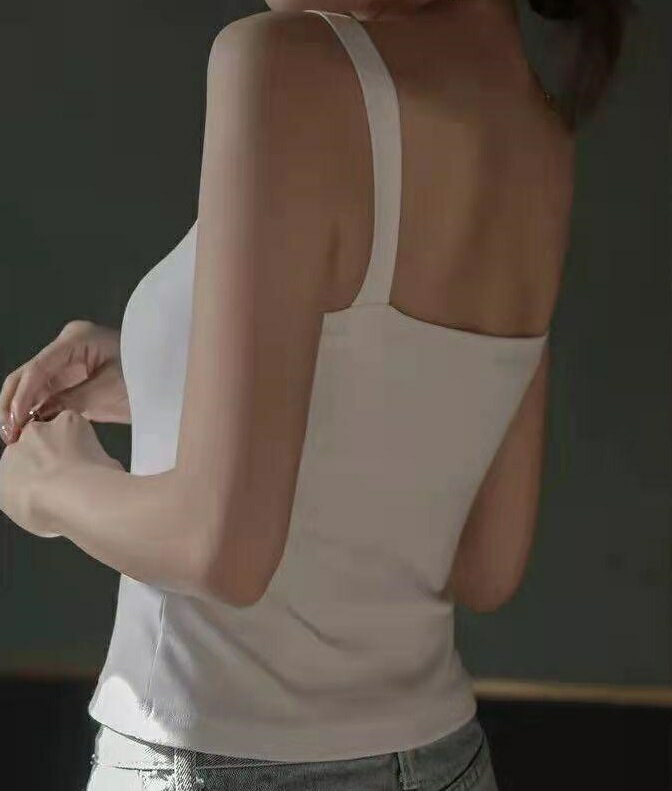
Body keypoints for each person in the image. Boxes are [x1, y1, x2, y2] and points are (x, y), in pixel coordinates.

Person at [0, 0, 628, 788]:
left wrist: (48, 483)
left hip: (216, 755)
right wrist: (170, 379)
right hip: (443, 758)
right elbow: (485, 561)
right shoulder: (537, 132)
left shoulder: (288, 62)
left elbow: (217, 545)